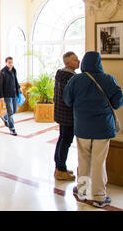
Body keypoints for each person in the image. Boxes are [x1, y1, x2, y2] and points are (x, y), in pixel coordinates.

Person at [63, 51, 123, 208]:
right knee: (99, 161)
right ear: (99, 63)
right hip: (102, 129)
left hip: (82, 127)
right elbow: (118, 101)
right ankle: (99, 196)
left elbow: (68, 101)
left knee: (83, 159)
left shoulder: (75, 80)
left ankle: (82, 191)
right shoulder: (108, 79)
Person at [53, 51, 80, 181]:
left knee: (62, 139)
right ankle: (61, 169)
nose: (78, 61)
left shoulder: (60, 75)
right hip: (68, 115)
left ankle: (59, 167)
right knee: (66, 141)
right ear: (68, 63)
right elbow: (70, 98)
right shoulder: (70, 78)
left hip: (61, 113)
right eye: (75, 60)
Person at [0, 57, 22, 136]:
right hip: (7, 95)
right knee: (10, 112)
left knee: (14, 110)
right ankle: (12, 129)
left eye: (12, 62)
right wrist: (1, 96)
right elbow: (0, 85)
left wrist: (19, 87)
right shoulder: (3, 72)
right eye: (9, 62)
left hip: (14, 93)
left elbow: (16, 80)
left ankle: (4, 117)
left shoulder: (14, 70)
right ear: (6, 63)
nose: (11, 64)